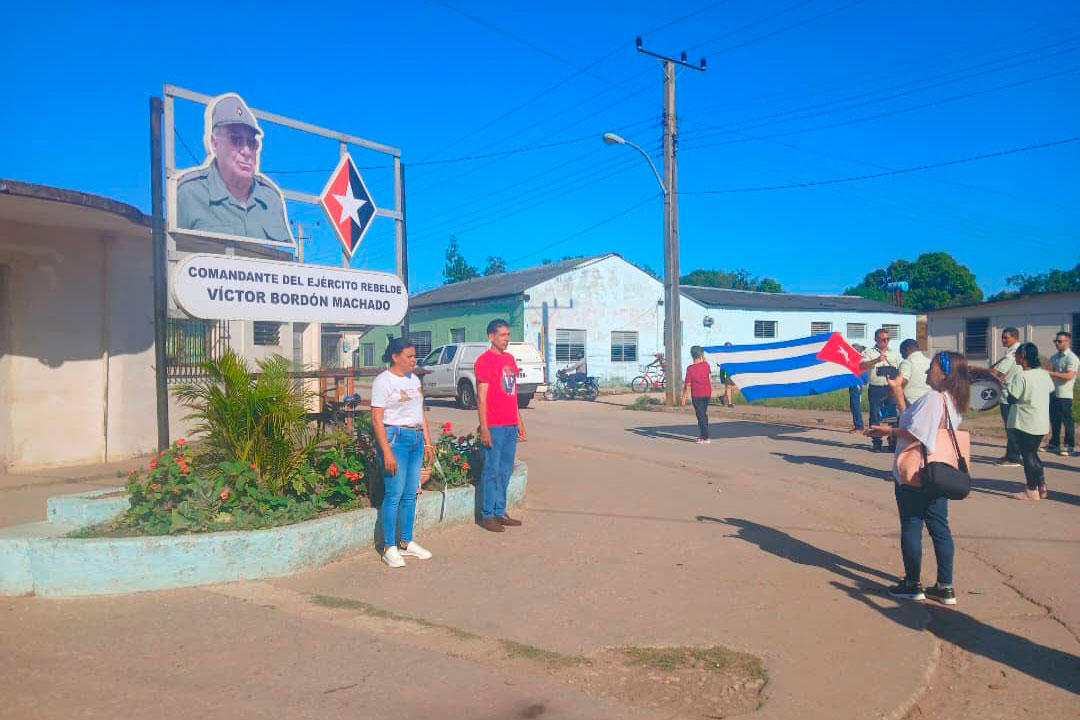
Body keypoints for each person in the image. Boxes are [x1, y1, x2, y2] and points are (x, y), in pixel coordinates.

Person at [867, 351, 969, 605]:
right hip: (939, 471)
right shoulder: (952, 399)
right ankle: (945, 586)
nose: (926, 373)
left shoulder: (934, 398)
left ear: (944, 373)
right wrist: (898, 391)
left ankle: (912, 584)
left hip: (917, 471)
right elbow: (912, 417)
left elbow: (917, 432)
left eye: (931, 368)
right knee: (939, 527)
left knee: (912, 524)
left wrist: (887, 430)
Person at [175, 94, 292, 243]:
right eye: (236, 139)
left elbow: (287, 261)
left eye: (251, 143)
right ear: (214, 143)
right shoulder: (189, 193)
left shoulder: (271, 200)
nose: (246, 151)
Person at [370, 337, 435, 568]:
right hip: (394, 439)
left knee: (411, 493)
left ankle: (406, 541)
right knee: (394, 493)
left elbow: (420, 412)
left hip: (416, 439)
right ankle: (389, 547)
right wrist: (387, 452)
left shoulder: (414, 379)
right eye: (408, 356)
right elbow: (377, 420)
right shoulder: (383, 381)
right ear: (395, 357)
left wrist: (427, 442)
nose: (413, 360)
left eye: (414, 356)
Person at [475, 319, 527, 532]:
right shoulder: (484, 361)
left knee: (505, 470)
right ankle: (487, 515)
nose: (506, 339)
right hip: (494, 425)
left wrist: (519, 421)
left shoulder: (509, 360)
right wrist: (484, 427)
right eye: (502, 335)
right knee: (492, 469)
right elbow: (481, 398)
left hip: (509, 424)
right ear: (491, 337)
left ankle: (499, 510)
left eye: (508, 335)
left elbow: (512, 394)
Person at [991, 343, 1054, 501]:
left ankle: (1031, 490)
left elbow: (1012, 398)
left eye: (1017, 355)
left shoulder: (1022, 376)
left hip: (1025, 422)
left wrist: (1006, 385)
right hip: (1040, 421)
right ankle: (1042, 486)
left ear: (1023, 357)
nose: (1015, 357)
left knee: (1028, 456)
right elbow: (1050, 392)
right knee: (1033, 454)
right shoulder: (1044, 374)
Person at [971, 328, 1023, 467]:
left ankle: (1013, 458)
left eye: (1006, 338)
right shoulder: (1014, 352)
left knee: (1011, 427)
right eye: (1002, 337)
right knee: (1012, 426)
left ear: (1015, 337)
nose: (1003, 340)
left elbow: (998, 373)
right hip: (1012, 394)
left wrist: (976, 369)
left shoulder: (1013, 353)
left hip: (1009, 394)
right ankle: (1011, 454)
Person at [860, 328, 901, 451]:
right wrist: (877, 360)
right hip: (876, 387)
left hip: (889, 387)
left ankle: (892, 442)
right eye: (883, 339)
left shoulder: (893, 353)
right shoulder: (869, 352)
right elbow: (861, 366)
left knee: (891, 416)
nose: (886, 342)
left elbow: (899, 369)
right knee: (875, 415)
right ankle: (876, 442)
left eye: (888, 339)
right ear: (876, 339)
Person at [1047, 331, 1077, 457]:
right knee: (1054, 419)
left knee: (1067, 420)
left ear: (1068, 341)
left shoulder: (1072, 358)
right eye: (1056, 341)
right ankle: (1054, 443)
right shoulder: (1054, 357)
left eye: (1060, 341)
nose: (1057, 343)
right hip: (1053, 392)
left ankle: (1069, 445)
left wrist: (1052, 374)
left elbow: (1070, 375)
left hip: (1064, 394)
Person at [682, 345, 713, 444]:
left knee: (701, 415)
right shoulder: (706, 365)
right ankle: (703, 435)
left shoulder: (690, 369)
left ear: (691, 355)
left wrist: (683, 397)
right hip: (707, 393)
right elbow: (706, 365)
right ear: (701, 355)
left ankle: (706, 437)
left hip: (697, 394)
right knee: (703, 414)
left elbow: (687, 385)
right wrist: (703, 356)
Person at [898, 339, 931, 406]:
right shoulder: (930, 362)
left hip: (911, 403)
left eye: (902, 353)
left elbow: (902, 381)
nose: (902, 356)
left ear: (907, 350)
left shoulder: (907, 362)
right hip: (928, 402)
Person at [847, 344, 868, 433]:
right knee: (854, 405)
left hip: (856, 384)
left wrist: (862, 382)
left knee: (855, 405)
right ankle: (858, 425)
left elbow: (863, 373)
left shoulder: (859, 360)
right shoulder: (856, 360)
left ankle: (859, 426)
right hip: (854, 383)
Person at [717, 341, 736, 408]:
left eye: (730, 346)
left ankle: (722, 397)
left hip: (733, 372)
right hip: (725, 372)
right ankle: (730, 404)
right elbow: (718, 363)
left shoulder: (734, 354)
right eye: (727, 346)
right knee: (728, 387)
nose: (728, 347)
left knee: (734, 387)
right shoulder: (722, 354)